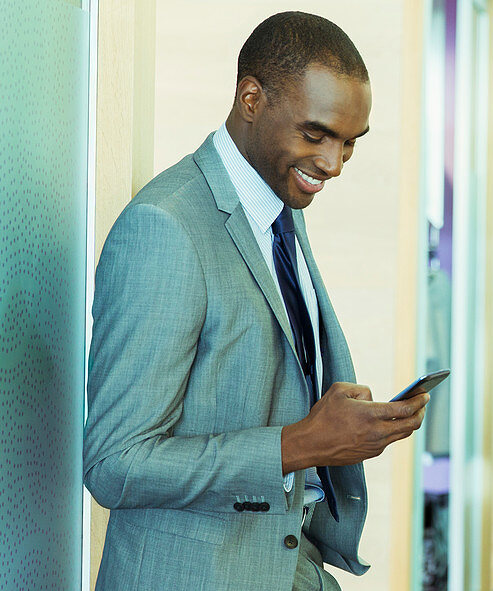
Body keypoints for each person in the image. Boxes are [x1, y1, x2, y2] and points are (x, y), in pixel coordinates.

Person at [83, 12, 428, 591]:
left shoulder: (276, 205)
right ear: (250, 97)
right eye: (315, 134)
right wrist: (303, 443)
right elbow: (116, 464)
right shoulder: (165, 228)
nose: (333, 164)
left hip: (288, 566)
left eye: (349, 143)